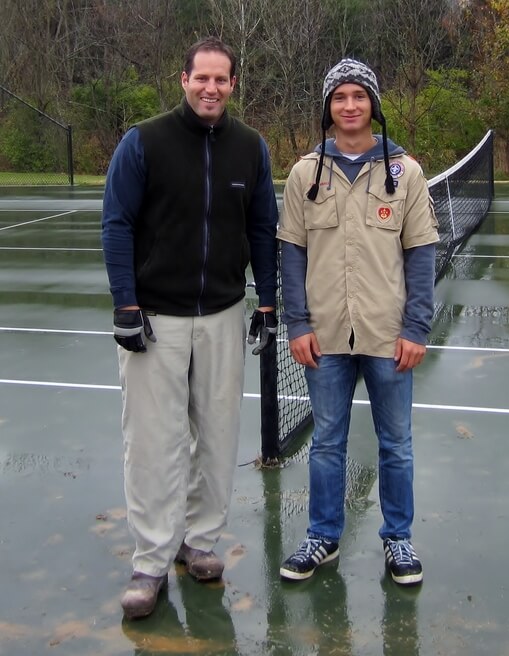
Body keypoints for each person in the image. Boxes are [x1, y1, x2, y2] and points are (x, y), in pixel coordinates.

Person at [101, 36, 278, 619]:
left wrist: (268, 303)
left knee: (219, 436)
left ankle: (198, 542)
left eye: (221, 79)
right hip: (155, 320)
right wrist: (127, 307)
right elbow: (117, 224)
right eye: (201, 78)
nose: (210, 88)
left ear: (233, 84)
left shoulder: (251, 149)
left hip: (225, 315)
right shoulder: (143, 142)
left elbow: (262, 230)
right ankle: (150, 562)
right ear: (183, 80)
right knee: (152, 444)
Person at [277, 58, 439, 586]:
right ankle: (323, 537)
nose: (350, 106)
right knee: (326, 443)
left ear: (373, 104)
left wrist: (416, 329)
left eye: (359, 96)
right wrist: (296, 324)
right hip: (323, 337)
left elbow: (420, 255)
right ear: (328, 106)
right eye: (340, 97)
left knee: (396, 444)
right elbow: (292, 255)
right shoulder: (304, 173)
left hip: (389, 337)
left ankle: (399, 541)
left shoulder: (404, 172)